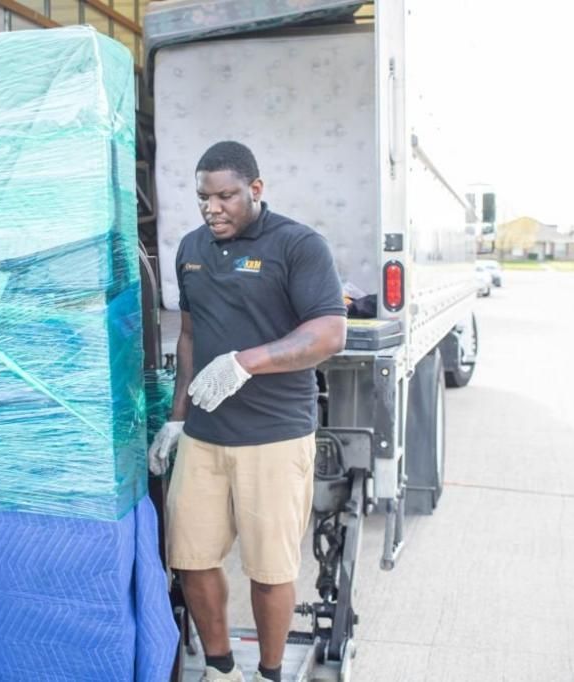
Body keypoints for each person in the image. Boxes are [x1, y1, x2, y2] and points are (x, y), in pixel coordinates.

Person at [148, 141, 347, 682]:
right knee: (191, 558)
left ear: (256, 190)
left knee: (269, 567)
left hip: (274, 436)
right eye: (202, 198)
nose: (212, 208)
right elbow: (189, 337)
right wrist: (176, 417)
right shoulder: (190, 248)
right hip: (205, 436)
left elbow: (329, 332)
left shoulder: (298, 245)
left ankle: (270, 672)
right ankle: (219, 668)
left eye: (225, 196)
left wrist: (247, 362)